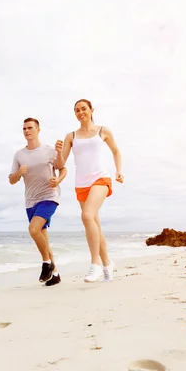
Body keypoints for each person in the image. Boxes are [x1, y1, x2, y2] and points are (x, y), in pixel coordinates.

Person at [54, 99, 124, 283]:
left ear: (92, 110)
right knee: (94, 225)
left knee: (86, 216)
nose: (80, 112)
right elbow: (60, 164)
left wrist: (119, 171)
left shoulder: (103, 131)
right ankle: (108, 263)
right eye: (76, 110)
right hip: (81, 183)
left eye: (83, 108)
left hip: (100, 178)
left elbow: (116, 151)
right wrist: (58, 152)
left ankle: (95, 265)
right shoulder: (71, 136)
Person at [9, 117, 67, 286]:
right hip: (30, 201)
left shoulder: (49, 151)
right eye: (24, 129)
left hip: (49, 196)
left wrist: (59, 180)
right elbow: (12, 180)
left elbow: (63, 168)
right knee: (42, 236)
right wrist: (19, 172)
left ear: (38, 130)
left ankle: (46, 264)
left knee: (33, 230)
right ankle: (55, 275)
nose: (27, 131)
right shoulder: (19, 155)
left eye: (30, 128)